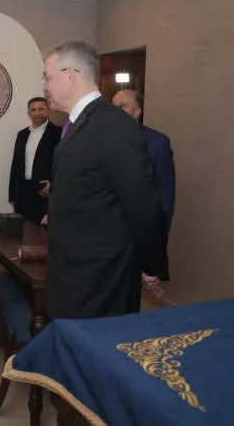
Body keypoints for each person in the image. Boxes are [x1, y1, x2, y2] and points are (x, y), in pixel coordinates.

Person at [42, 41, 168, 319]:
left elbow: (142, 204)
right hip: (73, 272)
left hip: (100, 280)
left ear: (69, 75)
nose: (44, 86)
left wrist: (150, 265)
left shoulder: (113, 126)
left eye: (47, 77)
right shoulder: (77, 124)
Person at [112, 88, 176, 297]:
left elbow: (165, 189)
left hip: (140, 227)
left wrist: (161, 227)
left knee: (131, 291)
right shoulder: (101, 139)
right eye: (114, 107)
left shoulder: (157, 142)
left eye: (123, 106)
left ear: (137, 111)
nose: (117, 111)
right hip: (108, 228)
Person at [8, 97, 61, 223]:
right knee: (22, 231)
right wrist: (13, 195)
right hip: (23, 193)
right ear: (29, 113)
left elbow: (65, 163)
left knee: (43, 232)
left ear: (48, 110)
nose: (37, 113)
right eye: (33, 110)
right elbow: (15, 165)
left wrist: (54, 184)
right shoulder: (22, 134)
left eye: (41, 109)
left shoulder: (58, 133)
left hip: (44, 192)